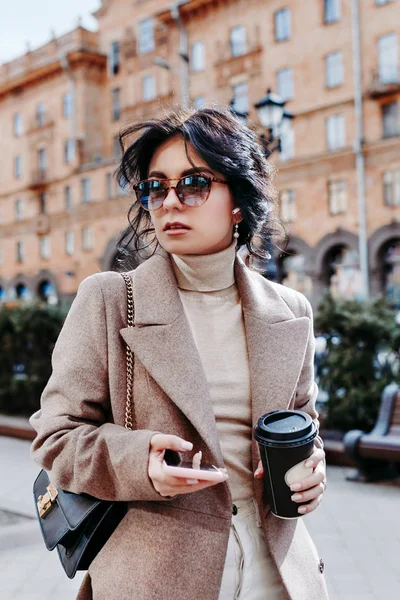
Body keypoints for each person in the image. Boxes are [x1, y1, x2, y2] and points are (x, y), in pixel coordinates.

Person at [30, 105, 328, 600]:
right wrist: (136, 462)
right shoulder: (109, 299)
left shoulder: (290, 309)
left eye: (193, 183)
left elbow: (302, 424)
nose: (169, 201)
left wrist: (311, 468)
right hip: (157, 576)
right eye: (155, 186)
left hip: (278, 574)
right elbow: (55, 436)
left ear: (238, 200)